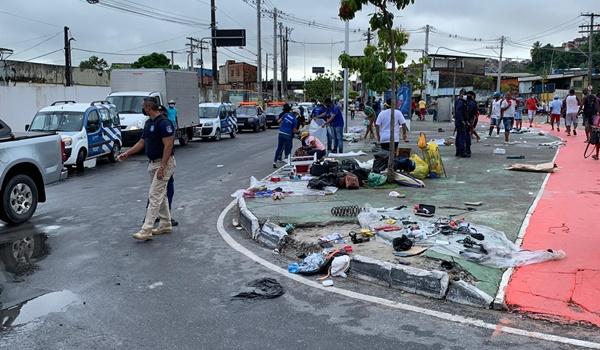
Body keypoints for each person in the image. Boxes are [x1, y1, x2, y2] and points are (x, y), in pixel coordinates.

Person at [118, 97, 176, 241]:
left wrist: (162, 166)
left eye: (144, 106)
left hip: (164, 163)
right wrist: (127, 153)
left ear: (149, 107)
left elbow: (168, 145)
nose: (143, 109)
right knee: (159, 195)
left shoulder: (164, 123)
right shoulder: (149, 123)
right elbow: (142, 142)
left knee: (154, 195)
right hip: (153, 163)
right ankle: (165, 224)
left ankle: (146, 229)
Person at [273, 103, 298, 168]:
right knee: (288, 148)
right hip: (288, 135)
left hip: (281, 133)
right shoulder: (295, 120)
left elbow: (278, 121)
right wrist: (299, 132)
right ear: (296, 114)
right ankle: (288, 163)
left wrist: (283, 124)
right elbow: (294, 130)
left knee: (279, 148)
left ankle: (274, 162)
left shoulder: (285, 114)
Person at [454, 89, 471, 157]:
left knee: (459, 136)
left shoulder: (459, 101)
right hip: (461, 122)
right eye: (464, 94)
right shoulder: (461, 102)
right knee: (461, 137)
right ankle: (462, 152)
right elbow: (459, 112)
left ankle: (458, 151)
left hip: (459, 121)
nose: (465, 96)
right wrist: (462, 121)